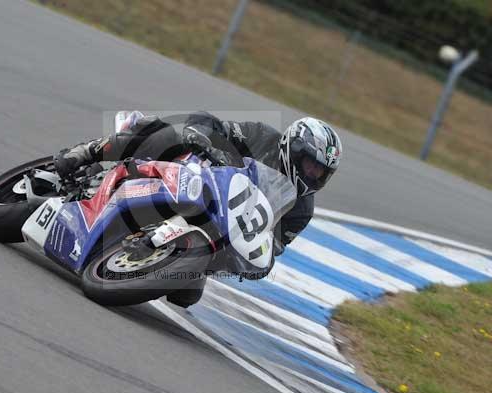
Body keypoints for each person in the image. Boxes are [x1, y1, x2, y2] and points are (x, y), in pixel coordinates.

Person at [54, 111, 342, 305]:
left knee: (186, 296)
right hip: (194, 177)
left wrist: (258, 262)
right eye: (310, 165)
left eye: (320, 173)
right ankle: (87, 152)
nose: (312, 175)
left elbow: (275, 244)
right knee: (163, 136)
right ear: (293, 148)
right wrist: (203, 137)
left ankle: (136, 253)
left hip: (220, 229)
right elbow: (209, 121)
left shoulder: (301, 209)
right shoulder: (262, 137)